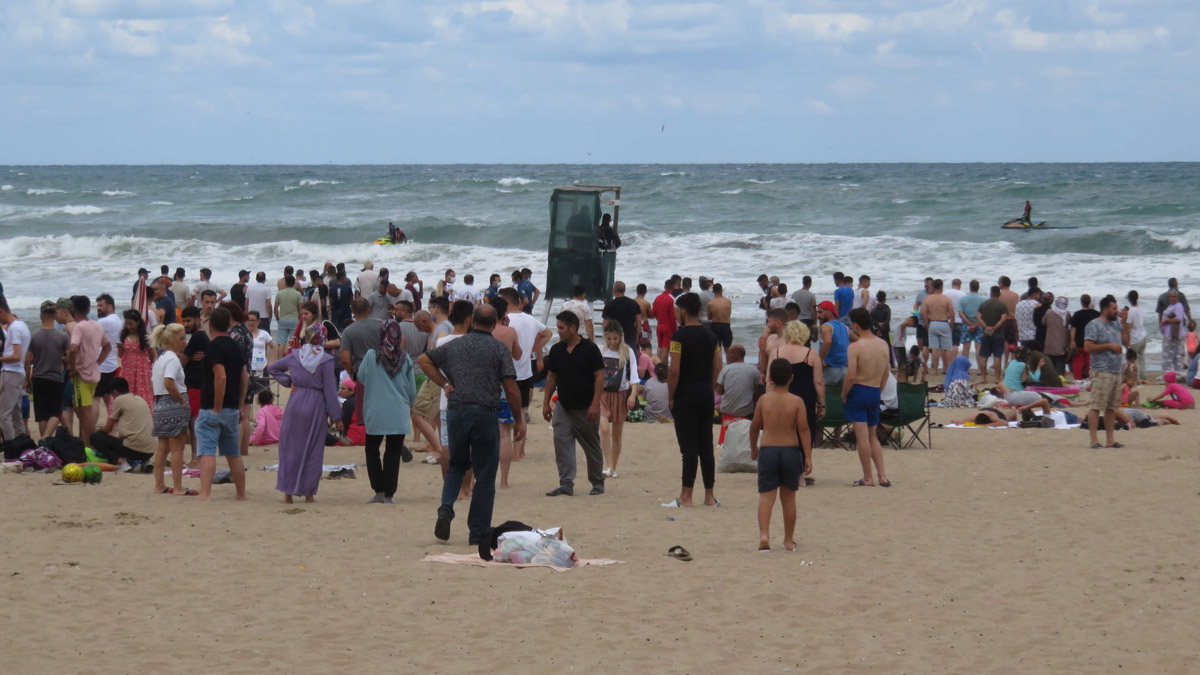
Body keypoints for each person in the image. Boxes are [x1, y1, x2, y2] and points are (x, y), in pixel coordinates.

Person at [419, 304, 524, 545]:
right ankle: (477, 532)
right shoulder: (498, 348)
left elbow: (424, 360)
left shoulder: (453, 345)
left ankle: (446, 508)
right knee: (485, 473)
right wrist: (519, 420)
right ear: (495, 323)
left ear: (471, 321)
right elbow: (510, 387)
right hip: (484, 413)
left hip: (456, 411)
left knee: (457, 465)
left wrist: (444, 383)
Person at [266, 325, 342, 503]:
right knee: (312, 449)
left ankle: (288, 493)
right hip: (315, 404)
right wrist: (337, 417)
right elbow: (330, 391)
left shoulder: (295, 355)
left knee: (290, 448)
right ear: (322, 338)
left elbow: (273, 368)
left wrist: (289, 381)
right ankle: (308, 494)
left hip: (296, 400)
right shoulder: (325, 360)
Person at [664, 292, 722, 508]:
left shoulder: (678, 338)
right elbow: (718, 368)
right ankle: (709, 496)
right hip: (706, 393)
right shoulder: (712, 337)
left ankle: (686, 497)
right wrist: (711, 387)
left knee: (688, 448)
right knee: (706, 446)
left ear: (684, 311)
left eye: (677, 310)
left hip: (686, 395)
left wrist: (670, 396)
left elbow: (674, 371)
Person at [540, 310, 606, 497]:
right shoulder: (556, 350)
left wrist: (595, 404)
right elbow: (552, 376)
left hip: (586, 408)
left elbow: (600, 376)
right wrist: (546, 403)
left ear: (573, 328)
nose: (558, 331)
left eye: (561, 328)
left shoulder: (590, 349)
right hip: (563, 407)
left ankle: (597, 482)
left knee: (591, 445)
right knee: (561, 443)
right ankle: (566, 483)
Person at [749, 358, 812, 552]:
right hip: (790, 451)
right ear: (791, 378)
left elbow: (754, 427)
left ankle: (764, 536)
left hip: (768, 450)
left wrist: (753, 448)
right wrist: (808, 456)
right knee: (788, 499)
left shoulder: (764, 400)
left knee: (766, 498)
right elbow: (804, 429)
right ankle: (787, 540)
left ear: (770, 378)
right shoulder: (796, 401)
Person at [354, 318, 417, 503]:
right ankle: (389, 495)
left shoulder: (372, 355)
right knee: (393, 452)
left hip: (376, 411)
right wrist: (408, 403)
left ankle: (379, 491)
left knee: (372, 450)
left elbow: (361, 377)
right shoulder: (405, 358)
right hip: (398, 411)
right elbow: (412, 391)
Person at [195, 307, 249, 502]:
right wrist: (240, 404)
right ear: (229, 324)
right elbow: (245, 377)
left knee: (207, 451)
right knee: (233, 454)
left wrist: (217, 407)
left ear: (210, 325)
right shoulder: (235, 346)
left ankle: (205, 494)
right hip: (232, 408)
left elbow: (221, 376)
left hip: (213, 407)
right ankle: (241, 494)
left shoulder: (213, 347)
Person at [843, 308, 891, 487]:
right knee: (873, 436)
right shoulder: (883, 344)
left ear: (855, 324)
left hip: (858, 390)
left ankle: (868, 477)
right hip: (874, 389)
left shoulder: (855, 347)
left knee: (862, 437)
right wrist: (878, 392)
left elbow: (851, 376)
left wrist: (844, 394)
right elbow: (886, 374)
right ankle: (882, 475)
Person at [148, 323, 193, 494]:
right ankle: (178, 486)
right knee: (177, 449)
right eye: (181, 338)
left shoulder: (161, 358)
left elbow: (156, 383)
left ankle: (159, 484)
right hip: (173, 403)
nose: (184, 342)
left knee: (162, 447)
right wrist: (181, 400)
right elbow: (169, 381)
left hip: (160, 403)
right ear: (172, 340)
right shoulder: (173, 359)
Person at [772, 321, 824, 461]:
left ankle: (785, 467)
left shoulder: (776, 352)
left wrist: (768, 399)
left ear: (787, 334)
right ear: (805, 335)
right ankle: (802, 469)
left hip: (780, 398)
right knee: (805, 431)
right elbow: (818, 382)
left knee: (782, 432)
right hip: (805, 399)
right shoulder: (811, 354)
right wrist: (822, 403)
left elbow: (769, 382)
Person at [1084, 295, 1130, 449]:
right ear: (1105, 310)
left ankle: (1110, 440)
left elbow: (1127, 342)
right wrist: (1108, 346)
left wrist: (1124, 323)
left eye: (1117, 308)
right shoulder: (1094, 325)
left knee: (1111, 407)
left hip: (1116, 371)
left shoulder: (1117, 324)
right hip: (1101, 371)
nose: (1117, 311)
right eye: (1114, 308)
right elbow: (1088, 347)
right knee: (1096, 406)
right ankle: (1093, 440)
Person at [89, 377, 158, 473]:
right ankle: (145, 462)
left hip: (133, 450)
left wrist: (99, 430)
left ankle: (121, 462)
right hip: (150, 450)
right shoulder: (140, 399)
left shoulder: (119, 400)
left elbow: (108, 429)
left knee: (95, 437)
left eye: (113, 395)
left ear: (115, 392)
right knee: (127, 441)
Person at [598, 320, 639, 479]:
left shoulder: (627, 352)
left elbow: (634, 377)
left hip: (620, 395)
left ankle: (613, 467)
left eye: (615, 339)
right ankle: (607, 465)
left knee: (617, 435)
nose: (612, 342)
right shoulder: (600, 351)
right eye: (609, 339)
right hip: (602, 395)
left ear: (620, 337)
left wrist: (633, 395)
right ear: (605, 337)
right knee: (604, 430)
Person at [26, 302, 69, 438]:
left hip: (38, 377)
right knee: (56, 412)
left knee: (42, 415)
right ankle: (46, 440)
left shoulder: (33, 336)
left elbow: (27, 360)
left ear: (41, 316)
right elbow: (69, 357)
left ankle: (44, 443)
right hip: (56, 378)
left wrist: (28, 377)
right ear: (55, 315)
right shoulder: (62, 336)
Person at [920, 279, 956, 375]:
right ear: (941, 287)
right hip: (944, 322)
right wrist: (952, 325)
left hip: (933, 323)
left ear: (932, 287)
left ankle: (935, 370)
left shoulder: (927, 299)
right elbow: (952, 314)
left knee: (934, 348)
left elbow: (923, 314)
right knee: (947, 348)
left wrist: (927, 325)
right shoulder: (946, 299)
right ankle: (948, 368)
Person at [94, 294, 123, 410]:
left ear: (110, 306)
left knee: (95, 398)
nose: (98, 308)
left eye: (101, 305)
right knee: (108, 398)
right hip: (112, 364)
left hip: (102, 366)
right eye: (97, 305)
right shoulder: (118, 320)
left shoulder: (104, 322)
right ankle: (112, 426)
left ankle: (89, 428)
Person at [716, 344, 760, 422]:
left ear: (736, 355)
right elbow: (757, 393)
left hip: (727, 410)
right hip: (746, 412)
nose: (726, 356)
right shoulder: (754, 370)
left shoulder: (726, 369)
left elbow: (719, 391)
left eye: (729, 353)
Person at [976, 286, 1009, 385]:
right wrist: (994, 327)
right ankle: (997, 379)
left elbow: (978, 317)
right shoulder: (1002, 305)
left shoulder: (983, 304)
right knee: (997, 356)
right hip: (998, 334)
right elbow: (1003, 319)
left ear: (990, 293)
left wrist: (986, 327)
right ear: (999, 294)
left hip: (986, 334)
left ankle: (983, 378)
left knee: (983, 356)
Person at [816, 301, 849, 385]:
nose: (817, 316)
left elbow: (828, 341)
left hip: (829, 367)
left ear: (829, 312)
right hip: (842, 368)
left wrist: (820, 359)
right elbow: (858, 340)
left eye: (820, 312)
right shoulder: (844, 327)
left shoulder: (826, 326)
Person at [601, 281, 642, 348]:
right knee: (630, 356)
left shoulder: (609, 305)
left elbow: (605, 323)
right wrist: (637, 336)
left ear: (614, 291)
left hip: (614, 337)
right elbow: (638, 322)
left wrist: (606, 337)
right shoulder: (634, 303)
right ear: (624, 290)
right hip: (630, 336)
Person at [1068, 295, 1100, 380]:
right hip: (1092, 341)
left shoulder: (1077, 314)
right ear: (1090, 302)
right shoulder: (1096, 314)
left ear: (1081, 302)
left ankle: (1078, 379)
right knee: (1090, 361)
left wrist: (1072, 340)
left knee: (1077, 362)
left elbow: (1073, 328)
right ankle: (1090, 378)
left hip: (1079, 342)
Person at [1043, 295, 1071, 376]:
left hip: (1050, 343)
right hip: (1061, 343)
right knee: (1060, 366)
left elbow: (1043, 322)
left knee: (1049, 366)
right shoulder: (1067, 314)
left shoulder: (1049, 312)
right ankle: (1059, 382)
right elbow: (1069, 323)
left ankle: (1050, 382)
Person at [1160, 289, 1187, 375]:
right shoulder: (1170, 306)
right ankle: (1178, 375)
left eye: (1174, 296)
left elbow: (1178, 319)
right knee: (1176, 357)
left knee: (1168, 357)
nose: (1172, 298)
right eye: (1171, 296)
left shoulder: (1178, 306)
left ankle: (1166, 376)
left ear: (1177, 297)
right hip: (1170, 335)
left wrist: (1166, 320)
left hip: (1173, 335)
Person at [958, 280, 986, 363]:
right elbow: (983, 314)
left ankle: (965, 368)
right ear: (978, 288)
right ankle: (980, 369)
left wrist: (969, 323)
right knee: (978, 346)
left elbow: (960, 313)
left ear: (970, 287)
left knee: (966, 347)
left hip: (966, 324)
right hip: (979, 324)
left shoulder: (964, 299)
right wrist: (976, 324)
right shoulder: (982, 299)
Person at [652, 279, 678, 364]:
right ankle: (663, 368)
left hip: (659, 325)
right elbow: (673, 316)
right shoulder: (672, 299)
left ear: (664, 287)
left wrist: (659, 319)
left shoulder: (658, 298)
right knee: (666, 349)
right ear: (673, 287)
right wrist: (675, 329)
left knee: (660, 347)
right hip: (668, 326)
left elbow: (653, 312)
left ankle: (657, 366)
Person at [706, 283, 733, 355]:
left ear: (713, 292)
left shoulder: (710, 303)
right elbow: (729, 314)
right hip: (726, 325)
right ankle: (729, 365)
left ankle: (719, 365)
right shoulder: (728, 301)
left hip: (715, 326)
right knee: (728, 350)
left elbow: (709, 318)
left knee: (717, 350)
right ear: (722, 291)